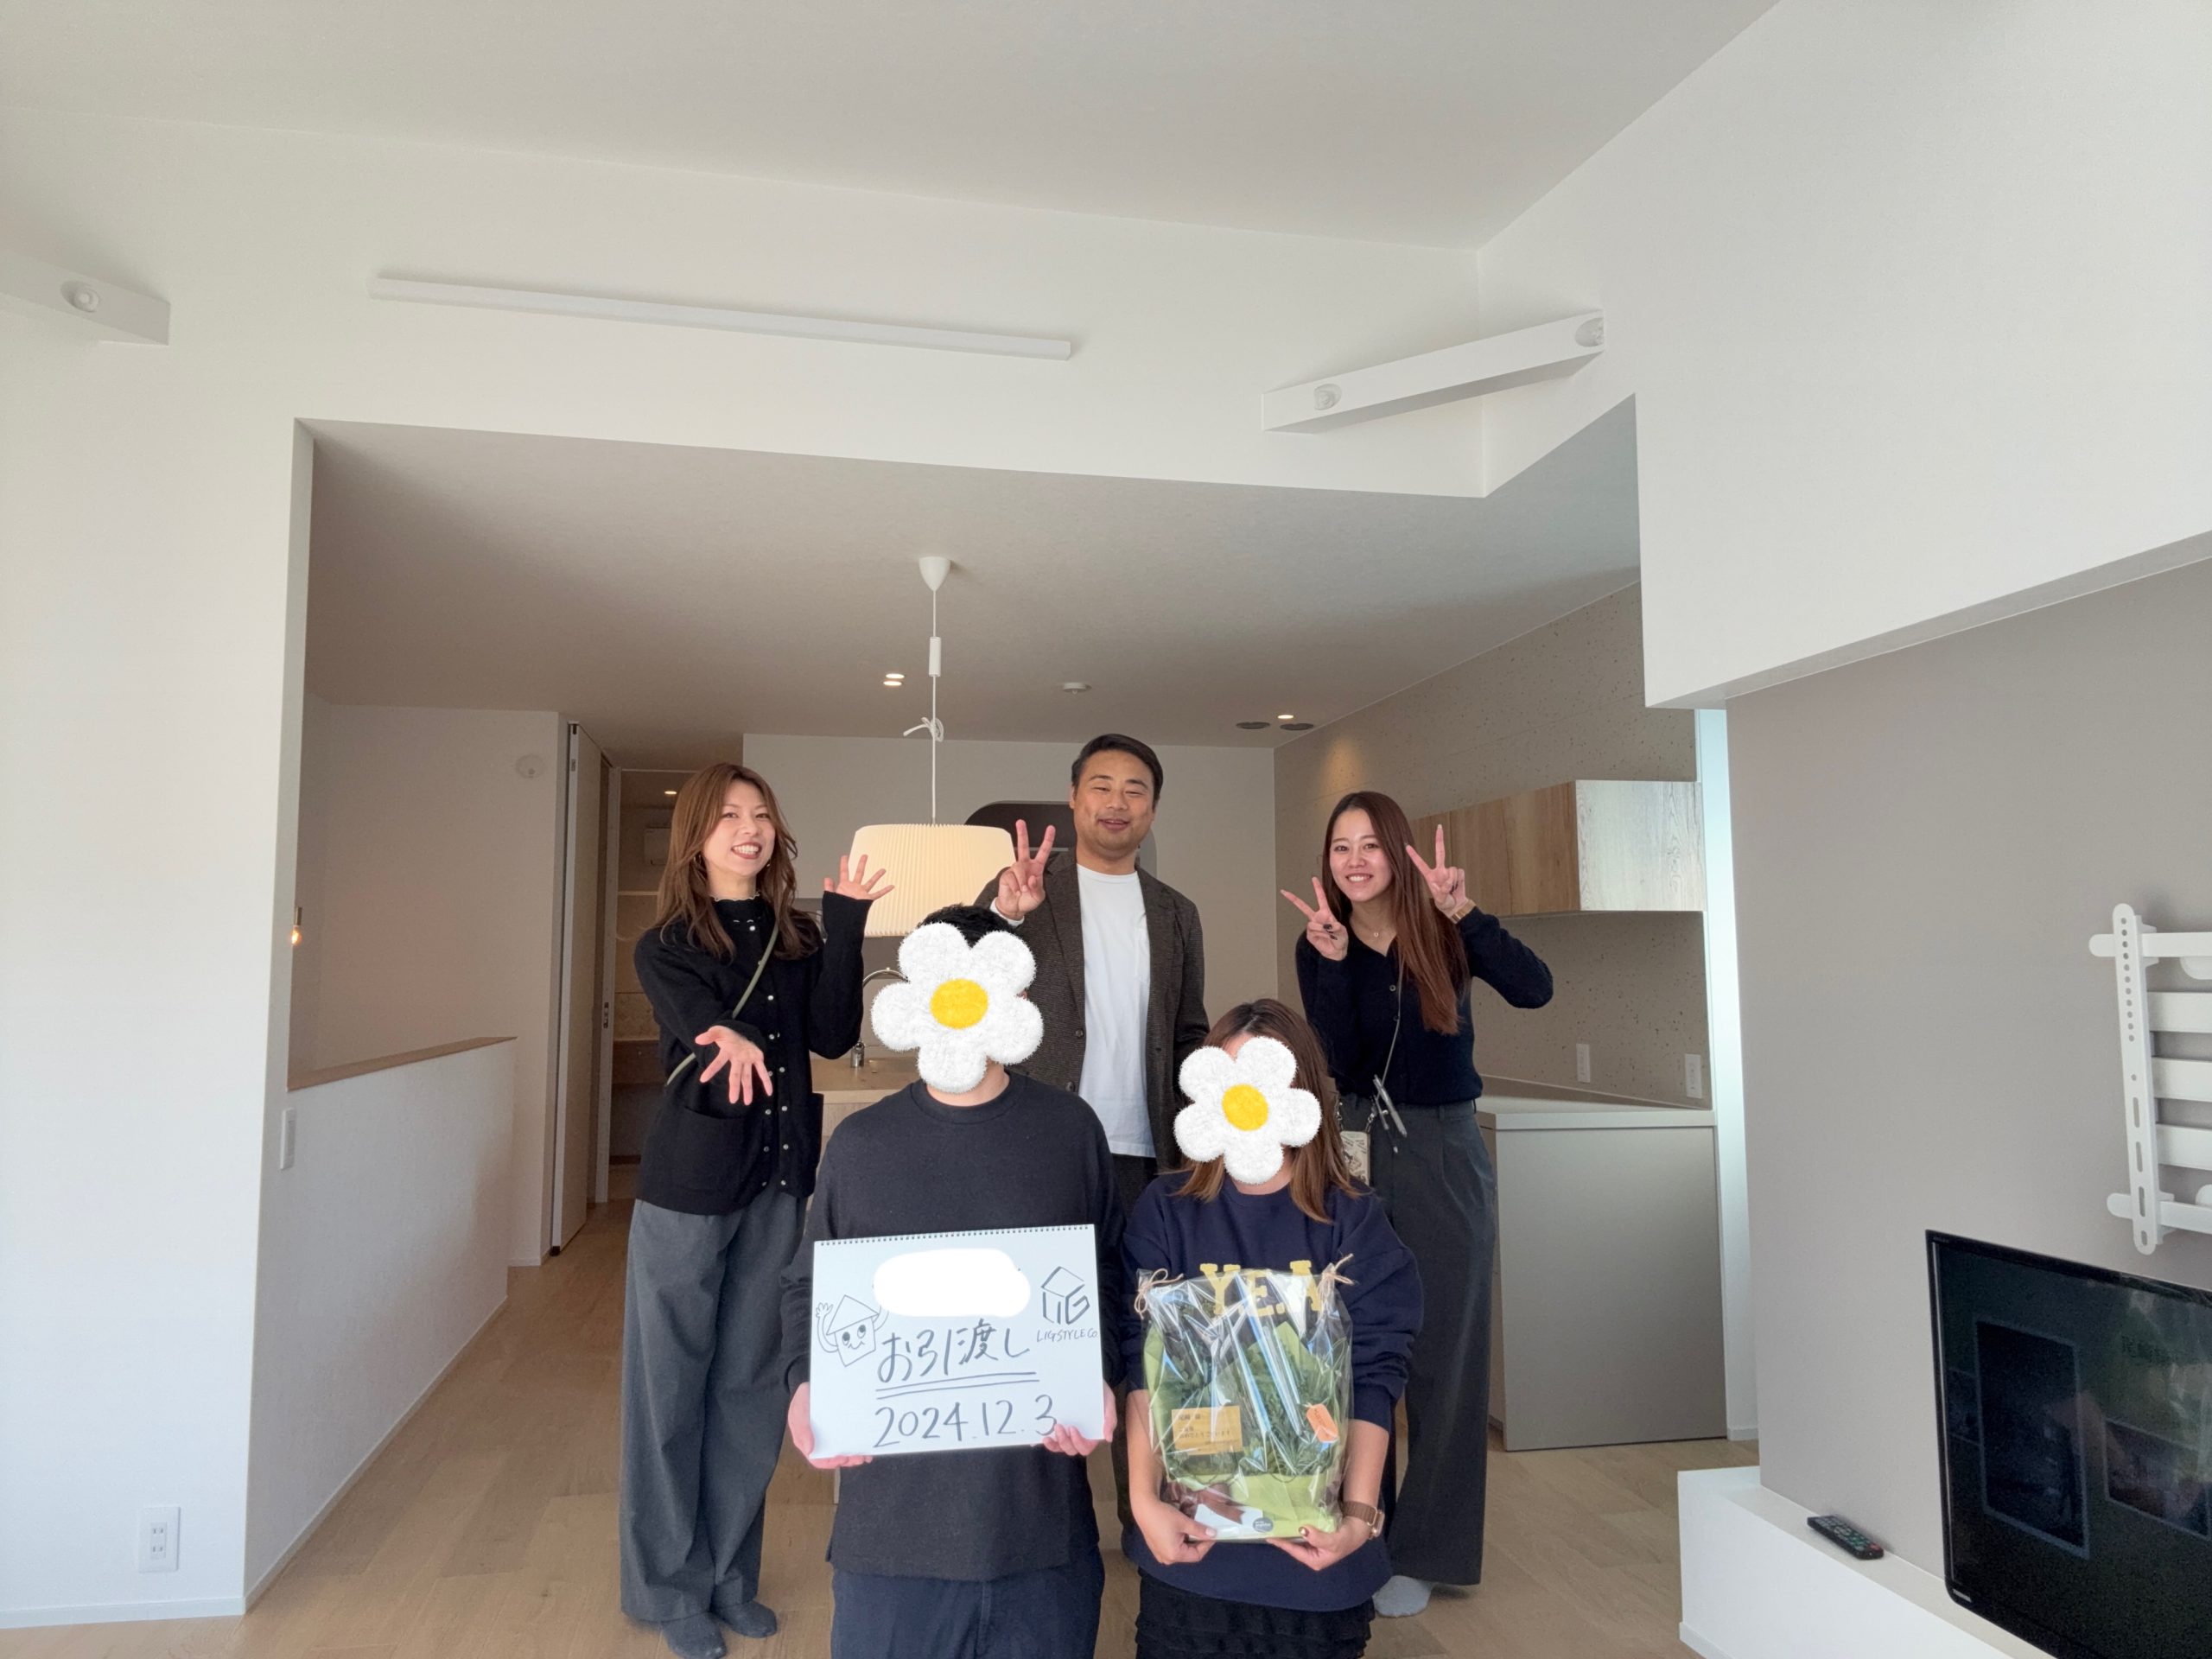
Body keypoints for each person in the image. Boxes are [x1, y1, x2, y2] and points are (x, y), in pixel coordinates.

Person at [780, 903, 1126, 1659]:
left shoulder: (1070, 1131)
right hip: (890, 1541)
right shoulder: (861, 1145)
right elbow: (811, 1285)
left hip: (1039, 1530)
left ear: (1018, 997)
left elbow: (1107, 1273)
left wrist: (1100, 1373)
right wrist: (807, 1384)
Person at [622, 762, 889, 1659]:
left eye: (761, 813)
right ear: (696, 836)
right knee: (669, 1391)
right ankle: (668, 1586)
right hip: (687, 1190)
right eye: (729, 815)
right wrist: (726, 1034)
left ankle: (730, 1576)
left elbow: (832, 1034)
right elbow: (702, 1020)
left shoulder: (796, 935)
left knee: (749, 1387)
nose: (749, 828)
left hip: (780, 1182)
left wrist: (845, 921)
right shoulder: (665, 944)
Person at [1281, 791, 1553, 1618]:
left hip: (1442, 1147)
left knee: (1445, 1354)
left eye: (1370, 844)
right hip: (1353, 1146)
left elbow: (1536, 989)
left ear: (1397, 852)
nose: (1355, 861)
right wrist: (1332, 963)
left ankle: (1426, 1551)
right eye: (1340, 847)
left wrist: (1465, 912)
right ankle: (1352, 1529)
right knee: (1347, 1347)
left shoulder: (1446, 930)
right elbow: (1338, 1060)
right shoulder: (1320, 940)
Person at [1122, 999, 1421, 1659]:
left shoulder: (1353, 1219)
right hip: (1194, 1556)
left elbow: (1375, 1377)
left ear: (1302, 1094)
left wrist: (1358, 1517)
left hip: (1316, 1565)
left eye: (1265, 1080)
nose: (1246, 1101)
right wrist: (1144, 1502)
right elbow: (1141, 1365)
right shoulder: (1165, 1211)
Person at [976, 733, 1209, 1220]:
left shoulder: (1177, 912)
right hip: (1039, 1138)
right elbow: (968, 987)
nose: (1117, 803)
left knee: (1138, 1269)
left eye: (1134, 790)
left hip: (1146, 1148)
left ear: (1153, 809)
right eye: (1101, 787)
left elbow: (1189, 1032)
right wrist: (1005, 915)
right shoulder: (1023, 891)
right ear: (1074, 797)